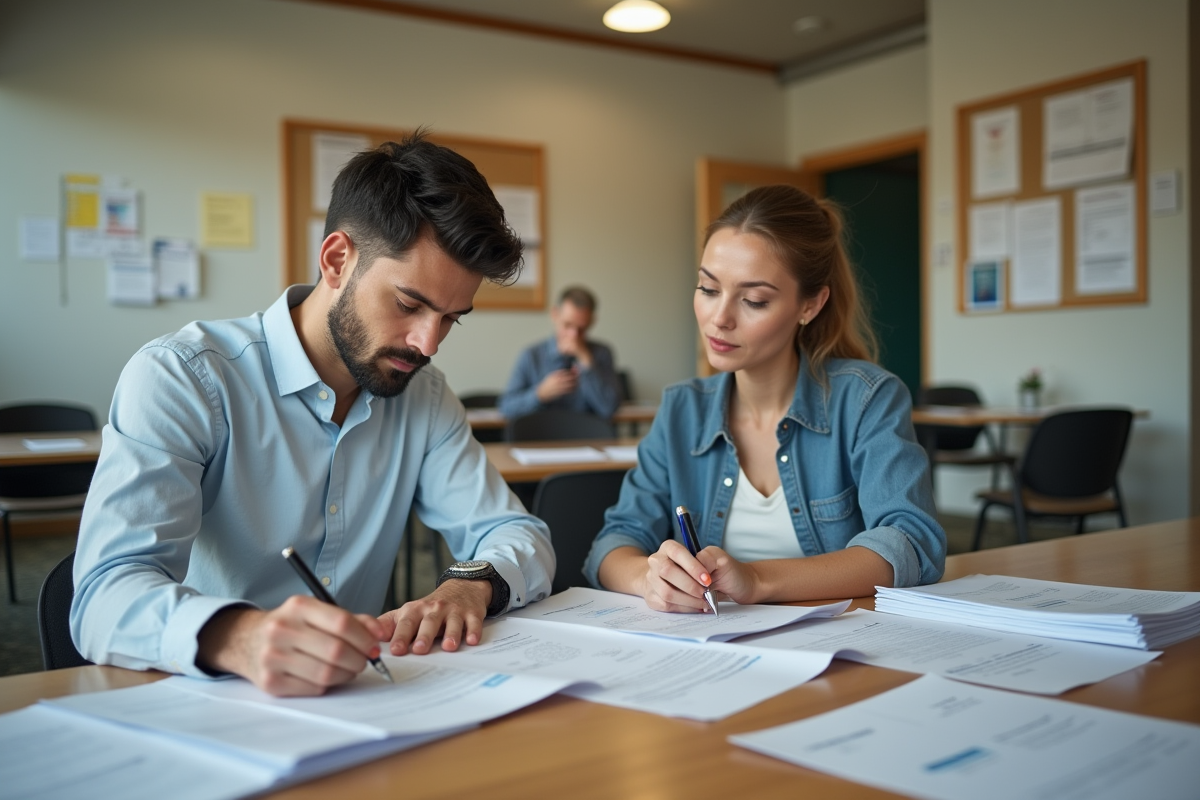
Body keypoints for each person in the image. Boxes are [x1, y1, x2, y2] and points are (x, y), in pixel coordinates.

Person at [72, 132, 555, 697]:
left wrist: (471, 584)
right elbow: (103, 596)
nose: (427, 343)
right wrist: (241, 636)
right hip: (198, 696)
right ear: (336, 260)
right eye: (408, 304)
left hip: (358, 702)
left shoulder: (424, 396)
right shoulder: (183, 378)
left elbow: (519, 534)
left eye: (451, 318)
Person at [583, 185, 944, 612]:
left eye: (754, 300)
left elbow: (911, 541)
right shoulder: (683, 409)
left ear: (810, 305)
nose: (719, 319)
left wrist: (757, 579)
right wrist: (651, 578)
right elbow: (613, 544)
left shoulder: (866, 399)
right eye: (708, 288)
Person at [497, 286, 623, 419]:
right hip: (542, 435)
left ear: (592, 321)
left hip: (587, 436)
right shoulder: (531, 356)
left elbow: (610, 408)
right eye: (567, 325)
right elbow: (506, 408)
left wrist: (586, 362)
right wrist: (539, 395)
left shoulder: (601, 353)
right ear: (555, 314)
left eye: (581, 329)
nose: (573, 335)